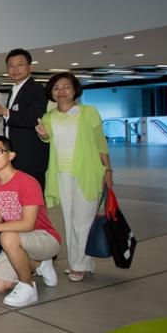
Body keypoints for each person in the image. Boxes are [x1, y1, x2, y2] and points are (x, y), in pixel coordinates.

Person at [0, 136, 61, 307]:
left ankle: (28, 287)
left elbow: (28, 224)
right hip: (16, 239)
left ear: (11, 155)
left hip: (44, 237)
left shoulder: (27, 182)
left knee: (6, 236)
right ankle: (39, 264)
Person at [36, 72, 113, 282]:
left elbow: (100, 143)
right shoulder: (49, 117)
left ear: (74, 89)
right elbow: (47, 140)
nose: (61, 91)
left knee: (84, 219)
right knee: (70, 219)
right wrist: (43, 134)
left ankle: (80, 264)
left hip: (87, 172)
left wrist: (108, 169)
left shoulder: (88, 112)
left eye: (65, 87)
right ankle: (78, 262)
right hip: (61, 173)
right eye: (56, 88)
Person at [0, 49, 49, 189]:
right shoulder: (14, 89)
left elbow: (32, 118)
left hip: (30, 157)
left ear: (30, 67)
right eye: (11, 65)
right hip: (15, 155)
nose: (15, 69)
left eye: (20, 65)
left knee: (32, 200)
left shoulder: (36, 89)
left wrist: (4, 111)